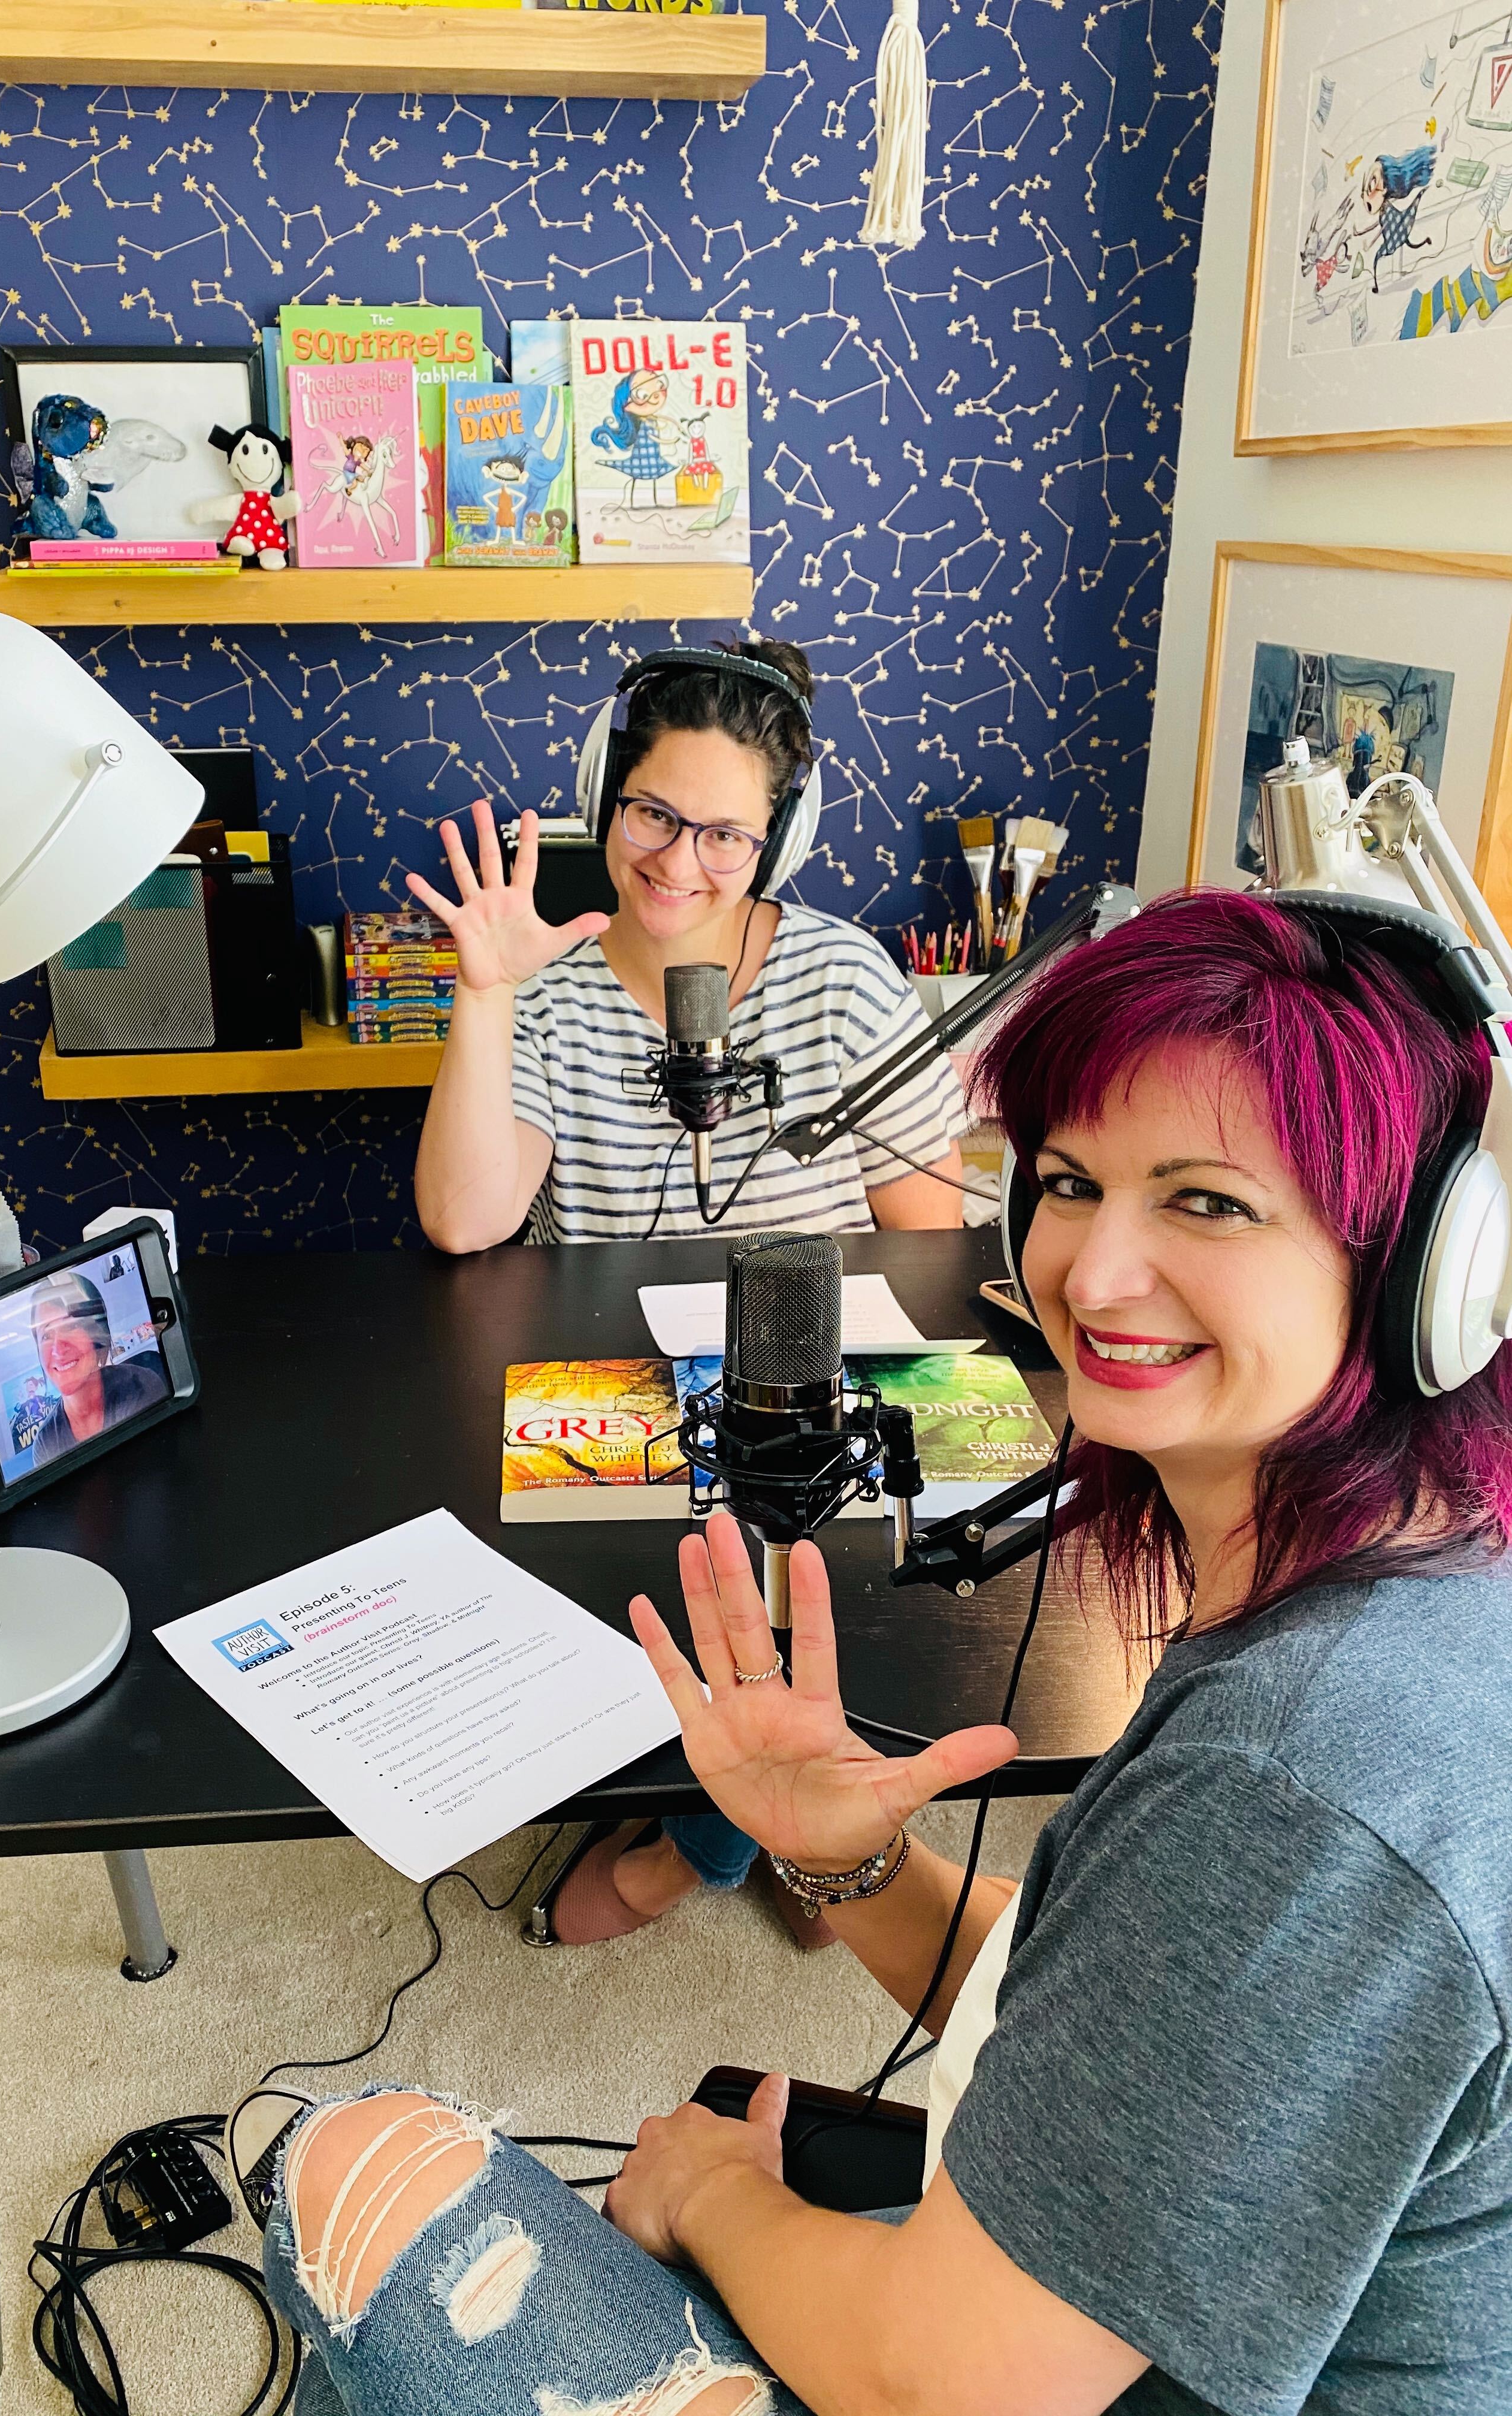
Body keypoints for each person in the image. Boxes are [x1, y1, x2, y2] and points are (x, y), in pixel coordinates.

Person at [244, 888, 1512, 2414]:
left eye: (1208, 1202)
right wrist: (847, 1865)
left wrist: (711, 2193)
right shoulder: (1419, 1599)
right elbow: (1147, 2031)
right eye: (1065, 1182)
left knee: (358, 2158)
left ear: (1432, 1268)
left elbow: (952, 2387)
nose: (1091, 1278)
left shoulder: (1301, 1782)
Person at [410, 639, 970, 1949]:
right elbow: (464, 1220)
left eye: (726, 832)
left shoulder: (843, 982)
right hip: (613, 1394)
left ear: (777, 839)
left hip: (808, 1383)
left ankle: (720, 1845)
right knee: (667, 1594)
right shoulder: (546, 987)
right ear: (609, 793)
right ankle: (769, 1838)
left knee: (840, 1580)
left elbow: (928, 1245)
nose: (679, 861)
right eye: (655, 813)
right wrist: (485, 998)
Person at [28, 1272, 164, 1469]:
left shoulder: (140, 1389)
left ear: (97, 1336)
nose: (58, 1349)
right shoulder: (46, 1442)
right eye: (47, 1335)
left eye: (71, 1326)